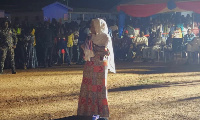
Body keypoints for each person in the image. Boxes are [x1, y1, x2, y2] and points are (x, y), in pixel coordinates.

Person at [77, 18, 116, 119]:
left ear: (98, 27)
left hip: (100, 66)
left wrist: (93, 49)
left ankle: (100, 112)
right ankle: (87, 111)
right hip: (89, 65)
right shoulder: (90, 37)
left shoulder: (105, 37)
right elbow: (86, 50)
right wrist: (85, 48)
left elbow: (106, 52)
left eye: (92, 26)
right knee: (88, 86)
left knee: (99, 88)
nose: (90, 28)